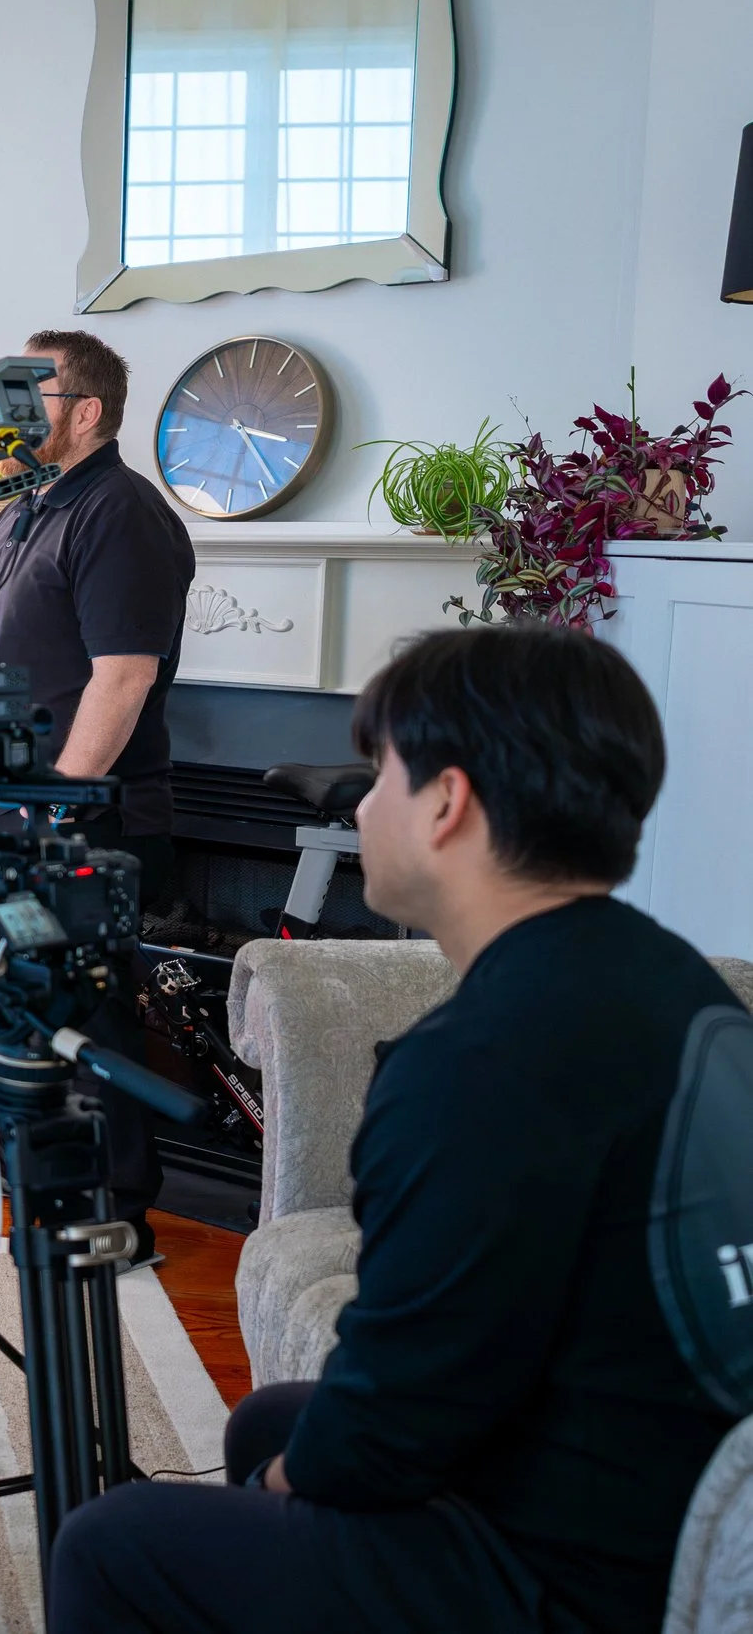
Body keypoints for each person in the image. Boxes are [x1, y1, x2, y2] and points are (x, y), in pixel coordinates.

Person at [47, 623, 742, 1634]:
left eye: (379, 776)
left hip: (576, 1577)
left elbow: (392, 1420)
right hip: (655, 1473)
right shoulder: (677, 983)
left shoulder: (480, 1058)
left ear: (447, 803)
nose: (364, 803)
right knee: (268, 1418)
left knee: (110, 1542)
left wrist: (295, 1481)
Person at [0, 327, 196, 1248]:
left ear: (85, 412)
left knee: (84, 1015)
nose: (8, 413)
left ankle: (113, 1212)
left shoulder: (119, 512)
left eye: (31, 394)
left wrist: (55, 805)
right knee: (6, 1001)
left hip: (75, 820)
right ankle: (30, 1182)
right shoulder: (20, 510)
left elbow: (121, 677)